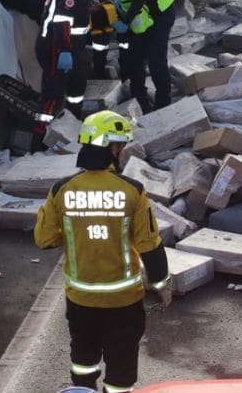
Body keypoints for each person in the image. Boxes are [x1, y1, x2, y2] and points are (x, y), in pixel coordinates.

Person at [34, 110, 172, 393]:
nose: (120, 151)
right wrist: (162, 284)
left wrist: (77, 229)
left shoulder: (62, 190)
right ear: (111, 147)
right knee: (121, 368)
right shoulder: (132, 190)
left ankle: (83, 390)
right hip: (123, 302)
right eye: (119, 145)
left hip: (80, 299)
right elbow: (149, 243)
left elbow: (44, 239)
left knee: (83, 361)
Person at [34, 0, 107, 143]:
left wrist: (86, 8)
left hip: (70, 48)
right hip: (56, 49)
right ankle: (39, 137)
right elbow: (62, 22)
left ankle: (73, 121)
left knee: (77, 83)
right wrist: (64, 51)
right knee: (52, 95)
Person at [105, 0, 176, 112]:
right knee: (134, 59)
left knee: (156, 61)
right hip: (144, 18)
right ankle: (141, 102)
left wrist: (125, 20)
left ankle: (163, 104)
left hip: (160, 14)